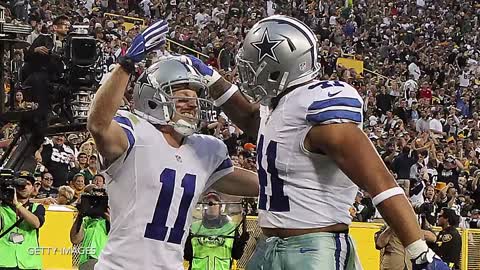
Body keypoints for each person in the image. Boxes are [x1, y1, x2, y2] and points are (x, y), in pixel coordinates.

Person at [185, 15, 449, 270]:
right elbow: (253, 118)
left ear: (281, 66)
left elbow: (381, 184)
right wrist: (212, 80)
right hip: (269, 247)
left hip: (314, 249)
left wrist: (419, 252)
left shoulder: (320, 109)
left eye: (255, 65)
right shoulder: (277, 108)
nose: (248, 72)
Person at [86, 20, 259, 270]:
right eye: (181, 97)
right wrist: (126, 65)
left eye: (195, 98)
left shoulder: (205, 150)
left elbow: (262, 184)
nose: (192, 104)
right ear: (154, 99)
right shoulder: (135, 132)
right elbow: (98, 124)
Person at [184, 191, 249, 270]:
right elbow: (187, 255)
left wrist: (241, 242)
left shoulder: (230, 228)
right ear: (203, 207)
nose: (211, 206)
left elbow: (236, 255)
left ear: (220, 207)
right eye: (208, 204)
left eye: (214, 204)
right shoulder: (194, 227)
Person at [0, 171, 45, 270]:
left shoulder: (37, 207)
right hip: (4, 262)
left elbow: (36, 223)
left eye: (28, 184)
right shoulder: (2, 207)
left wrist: (17, 205)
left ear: (33, 188)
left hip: (29, 263)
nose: (24, 187)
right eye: (20, 184)